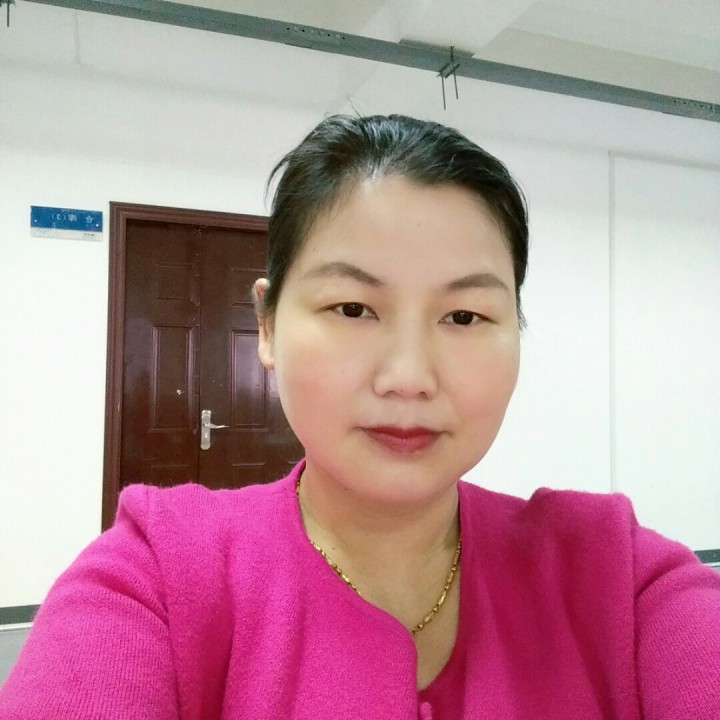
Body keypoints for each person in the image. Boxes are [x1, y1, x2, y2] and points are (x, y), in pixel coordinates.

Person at [1, 114, 718, 720]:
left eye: (464, 316)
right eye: (353, 308)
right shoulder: (157, 577)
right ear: (268, 326)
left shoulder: (617, 577)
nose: (408, 378)